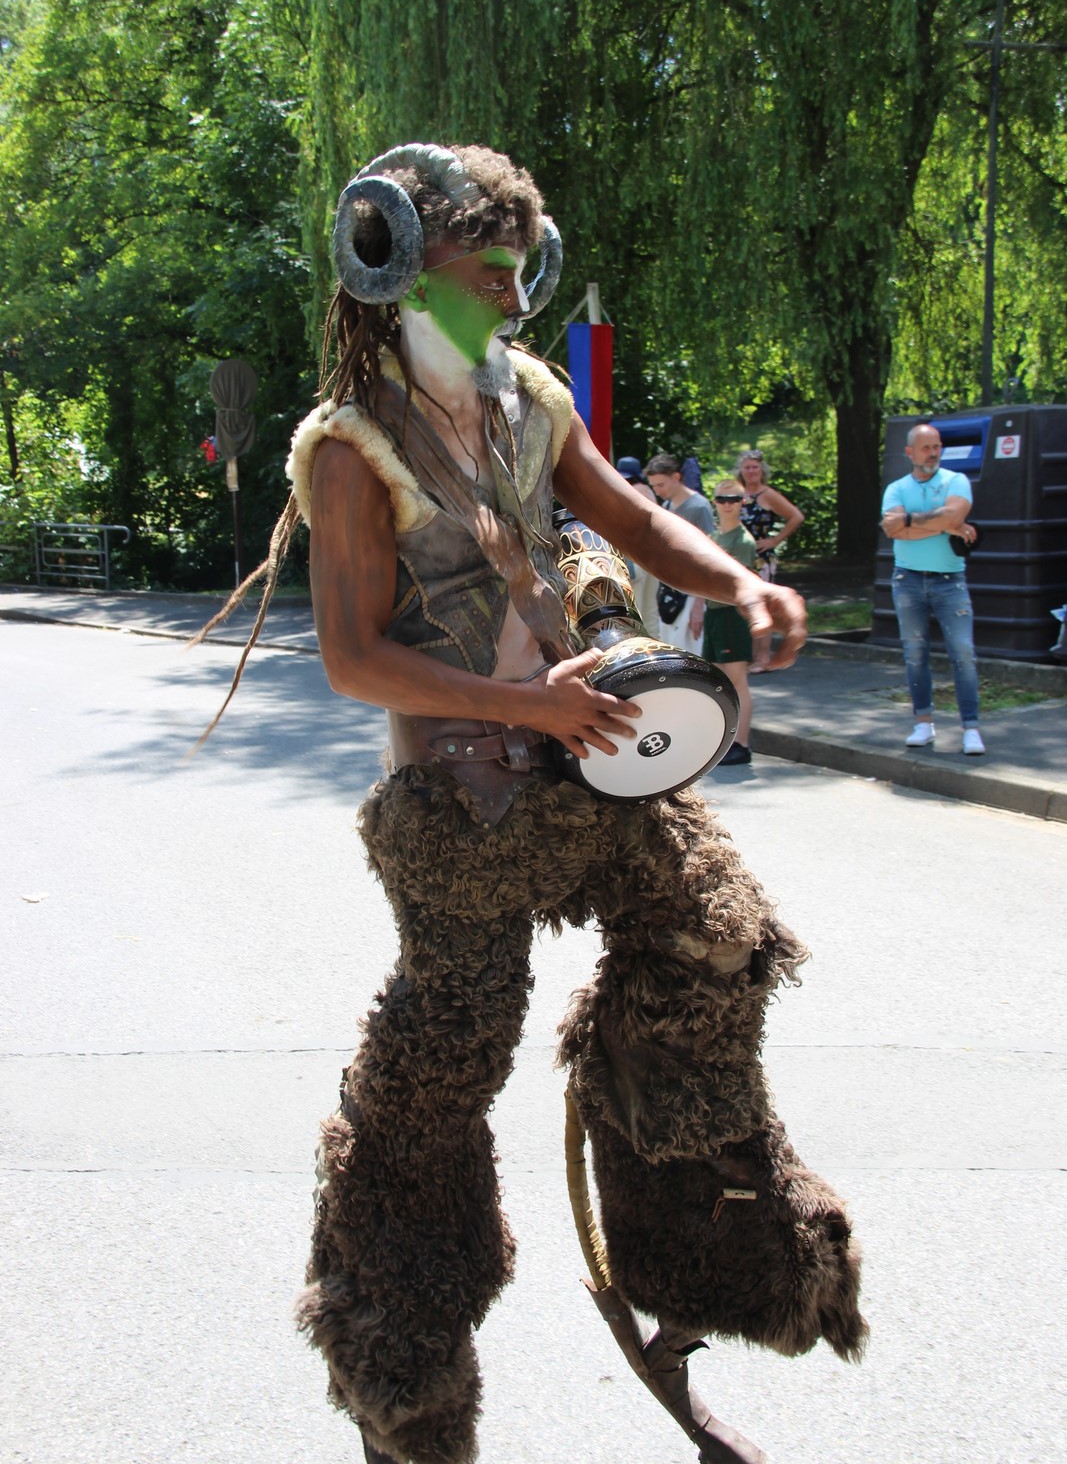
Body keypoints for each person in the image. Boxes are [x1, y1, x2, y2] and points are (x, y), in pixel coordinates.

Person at [208, 142, 865, 1464]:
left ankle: (694, 1253)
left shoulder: (527, 399)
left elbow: (631, 519)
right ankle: (398, 1353)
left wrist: (738, 583)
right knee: (446, 1054)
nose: (510, 300)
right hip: (456, 811)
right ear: (401, 269)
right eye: (484, 275)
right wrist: (527, 711)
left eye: (521, 273)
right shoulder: (349, 448)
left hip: (588, 759)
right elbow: (351, 659)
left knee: (713, 941)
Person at [880, 422, 984, 755]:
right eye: (926, 448)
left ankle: (971, 727)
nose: (933, 453)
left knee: (963, 653)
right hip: (907, 580)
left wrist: (911, 520)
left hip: (950, 581)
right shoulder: (896, 488)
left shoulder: (956, 480)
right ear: (910, 452)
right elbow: (893, 529)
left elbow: (954, 514)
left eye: (937, 446)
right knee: (915, 655)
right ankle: (923, 722)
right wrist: (944, 525)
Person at [703, 479, 758, 766]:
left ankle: (742, 743)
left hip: (733, 615)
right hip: (714, 613)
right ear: (715, 502)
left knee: (737, 681)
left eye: (734, 499)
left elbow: (738, 584)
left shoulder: (743, 541)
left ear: (742, 502)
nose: (728, 505)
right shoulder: (714, 536)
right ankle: (723, 739)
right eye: (722, 499)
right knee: (718, 680)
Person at [735, 448, 805, 670]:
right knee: (743, 606)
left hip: (761, 557)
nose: (751, 471)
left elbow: (796, 516)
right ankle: (748, 655)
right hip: (740, 555)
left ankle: (763, 657)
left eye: (755, 467)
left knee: (762, 605)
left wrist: (775, 540)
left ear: (762, 470)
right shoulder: (737, 493)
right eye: (747, 467)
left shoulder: (768, 494)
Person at [643, 452, 716, 652]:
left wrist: (698, 605)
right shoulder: (667, 505)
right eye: (654, 486)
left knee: (691, 652)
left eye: (661, 485)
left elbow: (708, 558)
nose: (657, 491)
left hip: (693, 591)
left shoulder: (699, 506)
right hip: (670, 590)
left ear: (676, 477)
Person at [613, 455, 660, 636]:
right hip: (653, 558)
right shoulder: (649, 491)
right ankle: (657, 648)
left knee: (636, 613)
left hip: (635, 557)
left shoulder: (626, 491)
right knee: (650, 612)